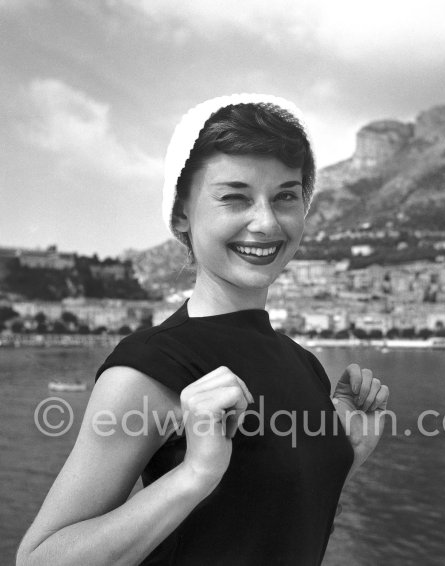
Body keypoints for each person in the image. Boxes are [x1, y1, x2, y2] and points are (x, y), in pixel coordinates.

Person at [16, 93, 389, 566]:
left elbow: (264, 531)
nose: (266, 221)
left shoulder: (306, 366)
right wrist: (193, 474)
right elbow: (40, 559)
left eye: (286, 196)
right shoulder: (150, 367)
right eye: (235, 197)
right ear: (180, 216)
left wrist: (342, 456)